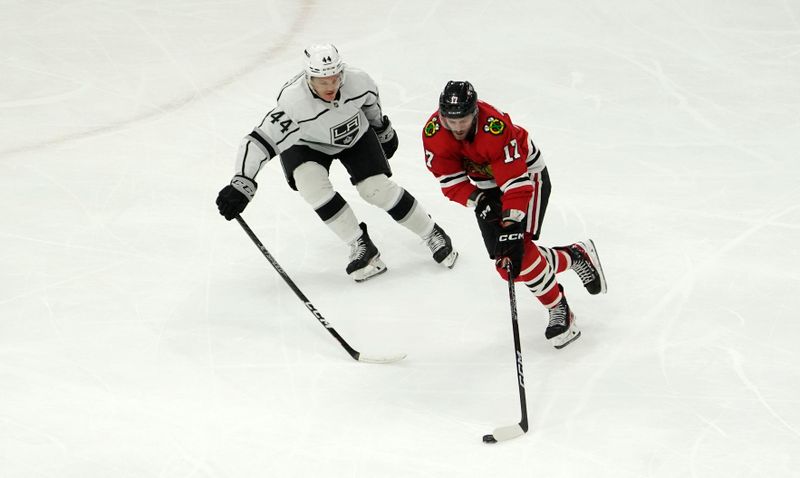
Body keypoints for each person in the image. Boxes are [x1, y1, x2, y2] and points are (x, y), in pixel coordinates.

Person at [216, 44, 458, 282]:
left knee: (376, 189)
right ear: (309, 78)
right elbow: (258, 141)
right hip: (306, 144)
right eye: (323, 81)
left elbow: (371, 104)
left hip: (354, 136)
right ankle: (361, 245)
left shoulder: (358, 81)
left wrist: (381, 130)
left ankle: (432, 232)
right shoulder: (293, 103)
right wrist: (241, 183)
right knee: (310, 185)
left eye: (334, 78)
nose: (331, 86)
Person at [421, 81, 607, 349]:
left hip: (526, 177)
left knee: (520, 253)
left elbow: (516, 183)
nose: (458, 126)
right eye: (451, 120)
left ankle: (560, 310)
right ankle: (575, 255)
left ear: (474, 112)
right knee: (506, 265)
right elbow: (450, 182)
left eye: (463, 119)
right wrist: (478, 199)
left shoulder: (493, 128)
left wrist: (511, 223)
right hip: (487, 188)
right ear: (441, 116)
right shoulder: (434, 134)